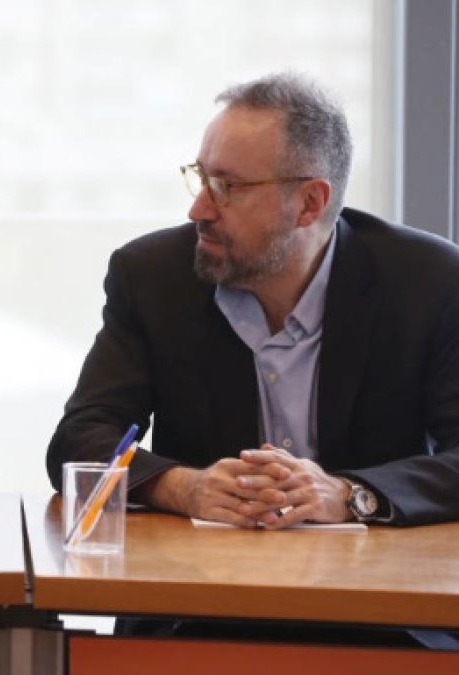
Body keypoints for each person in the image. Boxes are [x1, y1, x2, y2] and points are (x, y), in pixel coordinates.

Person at [47, 73, 459, 646]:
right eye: (200, 177)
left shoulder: (428, 282)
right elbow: (79, 441)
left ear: (309, 203)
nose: (199, 208)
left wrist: (349, 496)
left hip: (381, 617)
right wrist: (185, 487)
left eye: (227, 187)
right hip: (197, 613)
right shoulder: (153, 276)